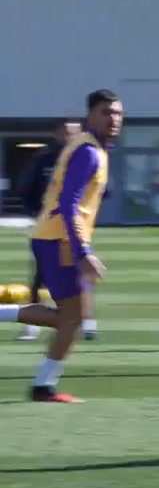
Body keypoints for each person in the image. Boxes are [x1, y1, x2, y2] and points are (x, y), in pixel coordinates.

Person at [0, 89, 123, 403]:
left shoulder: (92, 148)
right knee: (72, 318)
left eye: (118, 113)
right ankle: (43, 385)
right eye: (106, 113)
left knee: (72, 318)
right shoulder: (89, 152)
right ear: (91, 115)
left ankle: (44, 384)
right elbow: (69, 204)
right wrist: (83, 251)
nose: (114, 119)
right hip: (61, 241)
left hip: (55, 237)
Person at [15, 118, 81, 342]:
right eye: (66, 132)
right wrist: (37, 214)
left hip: (75, 229)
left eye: (74, 132)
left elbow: (101, 191)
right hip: (47, 229)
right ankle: (32, 324)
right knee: (41, 275)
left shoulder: (83, 159)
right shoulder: (44, 160)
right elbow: (25, 188)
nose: (70, 136)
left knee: (77, 275)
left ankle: (83, 323)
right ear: (58, 134)